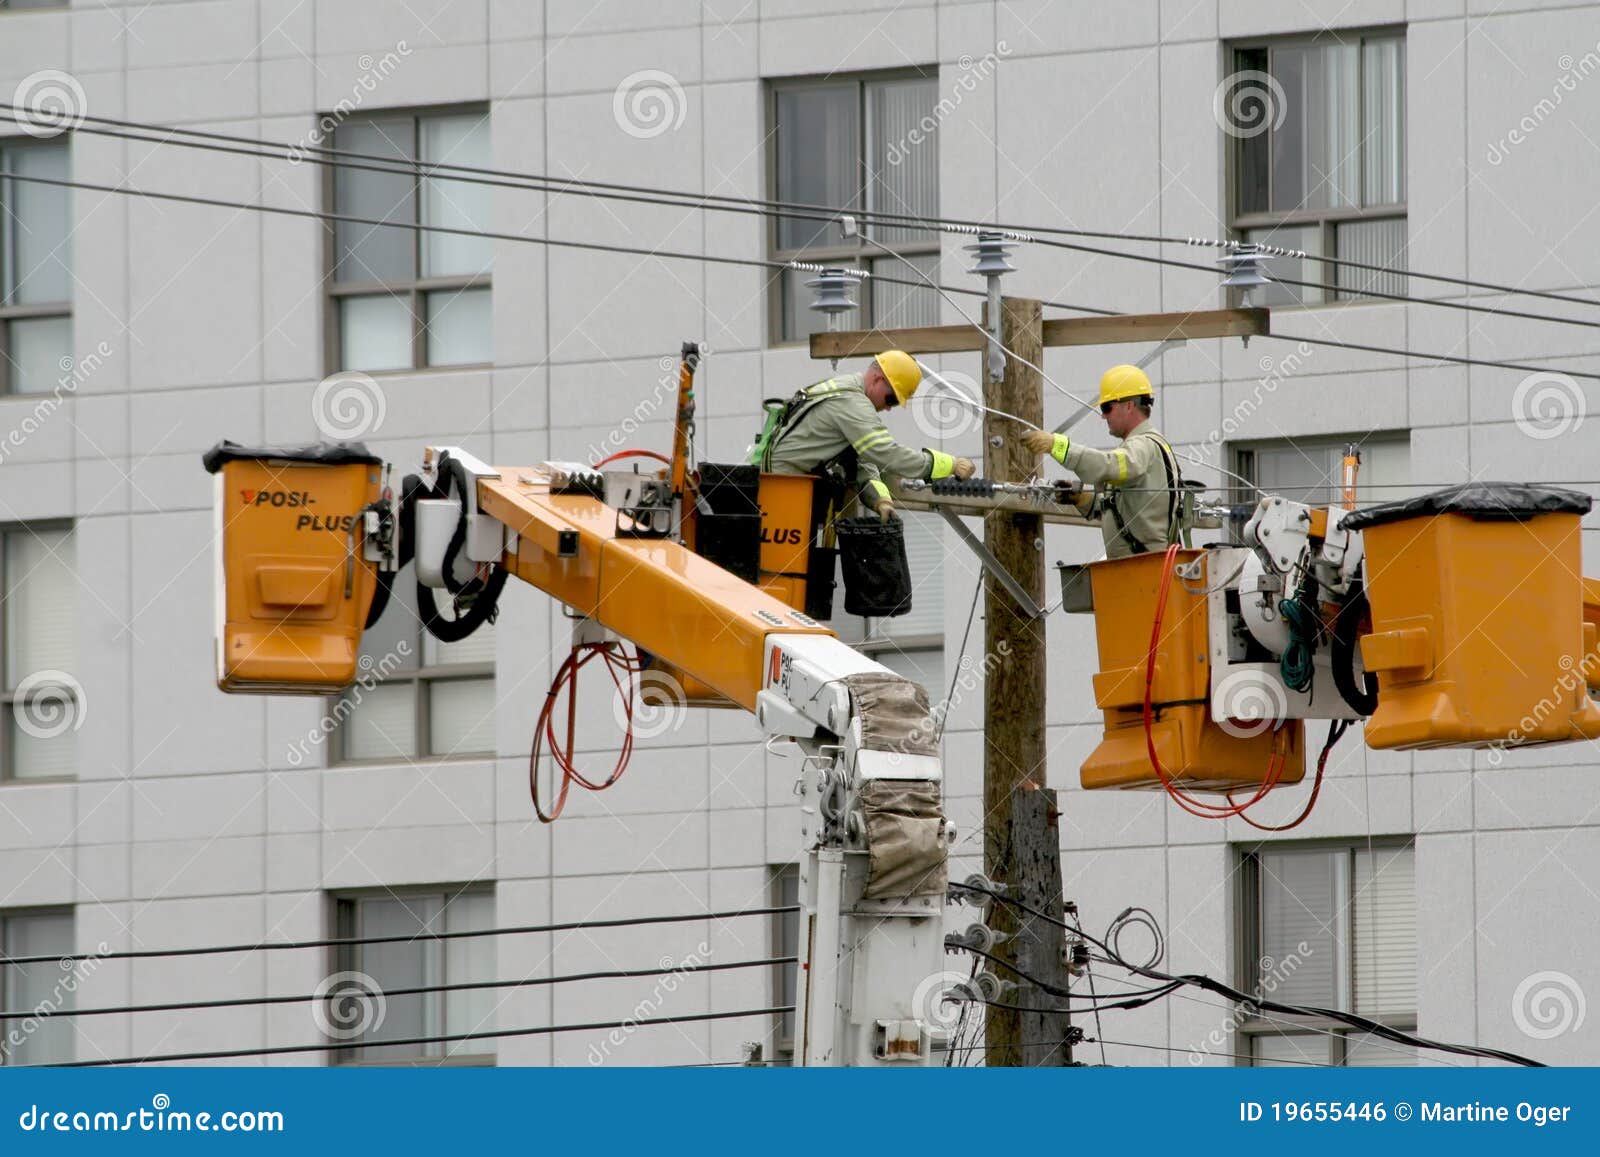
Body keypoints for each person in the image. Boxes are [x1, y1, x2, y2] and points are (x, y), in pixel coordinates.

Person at [759, 350, 975, 520]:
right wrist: (948, 464)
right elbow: (885, 453)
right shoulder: (852, 402)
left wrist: (881, 500)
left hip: (785, 488)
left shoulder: (845, 391)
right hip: (783, 492)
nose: (889, 408)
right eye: (891, 399)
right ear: (877, 379)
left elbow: (863, 460)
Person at [1021, 364, 1184, 558]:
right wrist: (1083, 500)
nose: (1103, 416)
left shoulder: (1142, 445)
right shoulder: (1147, 446)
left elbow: (1111, 467)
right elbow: (1124, 509)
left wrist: (1058, 446)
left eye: (1107, 407)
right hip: (1142, 567)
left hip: (1145, 569)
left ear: (1129, 405)